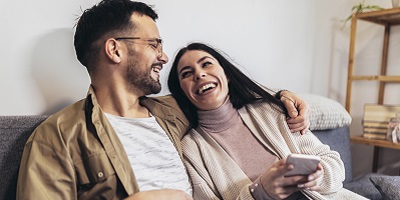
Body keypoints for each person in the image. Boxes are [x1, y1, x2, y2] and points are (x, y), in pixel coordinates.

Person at [16, 1, 310, 199]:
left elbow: (225, 91)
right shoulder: (56, 137)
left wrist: (281, 95)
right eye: (154, 44)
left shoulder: (174, 109)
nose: (164, 56)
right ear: (115, 50)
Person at [167, 42, 365, 200]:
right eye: (186, 73)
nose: (199, 74)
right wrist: (260, 192)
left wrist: (317, 177)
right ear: (182, 92)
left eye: (206, 64)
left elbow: (336, 166)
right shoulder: (191, 150)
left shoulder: (271, 110)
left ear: (226, 75)